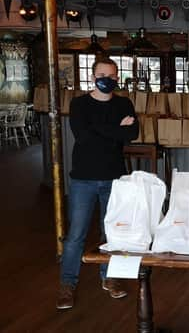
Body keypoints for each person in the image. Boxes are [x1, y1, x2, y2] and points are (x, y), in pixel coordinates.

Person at [56, 56, 138, 310]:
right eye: (103, 75)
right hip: (83, 179)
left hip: (115, 177)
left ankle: (109, 279)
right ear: (93, 77)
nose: (108, 80)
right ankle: (67, 285)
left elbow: (132, 134)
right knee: (75, 236)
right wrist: (116, 128)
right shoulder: (79, 104)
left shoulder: (124, 102)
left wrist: (102, 130)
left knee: (111, 233)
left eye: (113, 76)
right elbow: (83, 136)